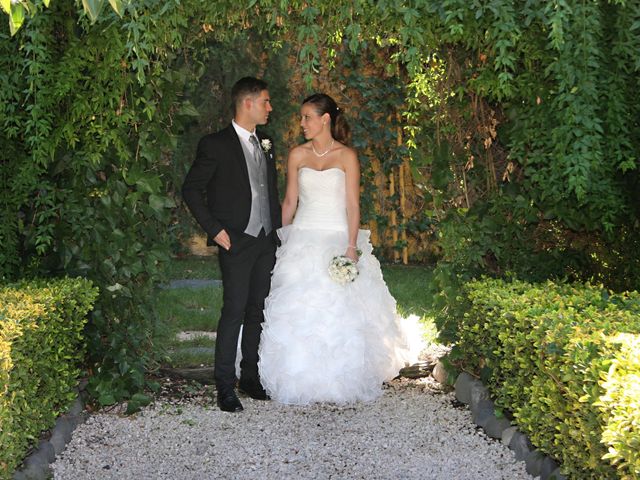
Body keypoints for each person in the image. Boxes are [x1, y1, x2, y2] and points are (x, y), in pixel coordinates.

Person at [258, 93, 409, 405]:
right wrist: (277, 240)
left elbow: (352, 205)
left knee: (340, 309)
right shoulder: (297, 155)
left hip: (338, 236)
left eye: (307, 118)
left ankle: (340, 378)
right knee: (299, 306)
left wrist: (351, 246)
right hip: (303, 236)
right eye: (301, 118)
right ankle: (297, 375)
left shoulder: (346, 156)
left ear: (324, 119)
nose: (301, 124)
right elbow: (289, 202)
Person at [182, 77, 281, 412]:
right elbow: (191, 190)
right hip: (236, 241)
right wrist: (216, 230)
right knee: (233, 311)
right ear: (248, 103)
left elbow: (269, 190)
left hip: (266, 240)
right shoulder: (216, 144)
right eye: (266, 102)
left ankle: (249, 377)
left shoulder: (266, 141)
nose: (270, 108)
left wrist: (277, 232)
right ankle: (224, 386)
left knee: (257, 311)